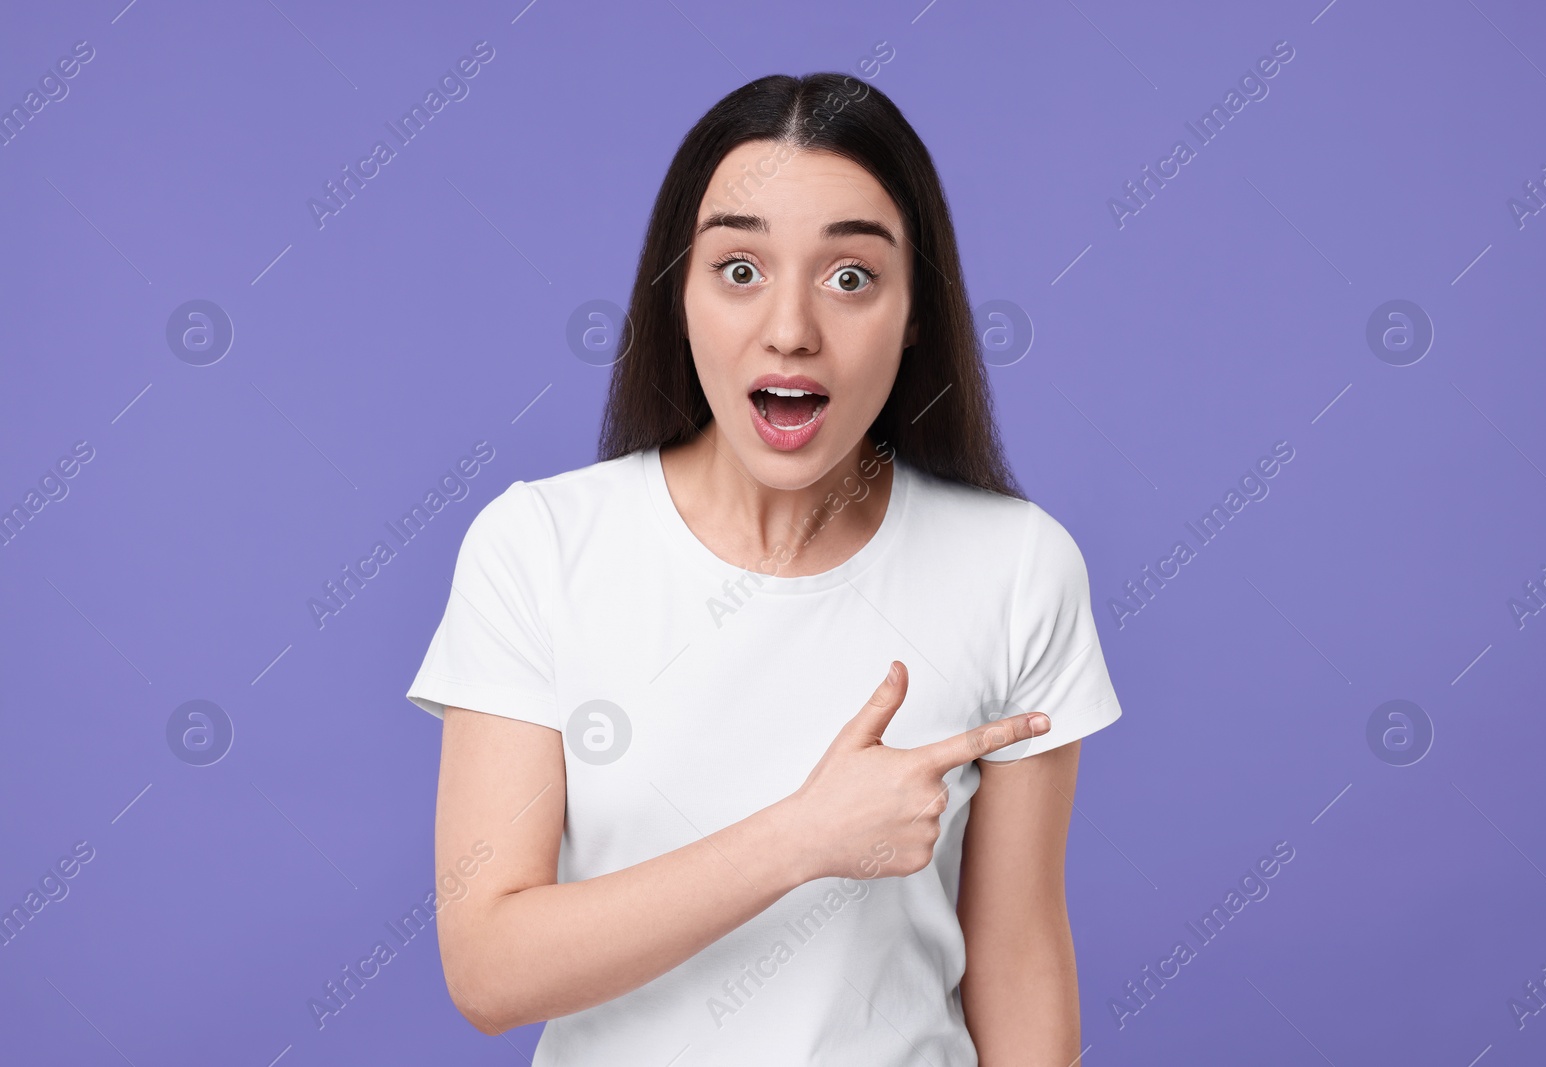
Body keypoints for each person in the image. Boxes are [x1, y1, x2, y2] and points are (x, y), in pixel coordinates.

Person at [406, 70, 1123, 1066]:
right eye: (739, 268)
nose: (789, 326)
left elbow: (1019, 953)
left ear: (916, 309)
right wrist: (802, 836)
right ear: (680, 293)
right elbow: (487, 965)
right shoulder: (537, 547)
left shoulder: (1015, 566)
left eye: (850, 275)